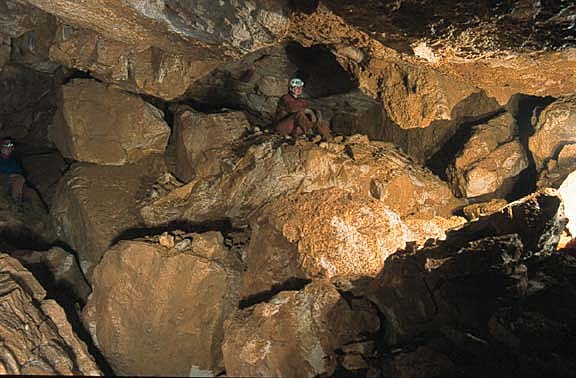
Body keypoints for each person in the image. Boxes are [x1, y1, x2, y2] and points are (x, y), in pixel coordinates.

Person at [0, 137, 25, 204]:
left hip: (13, 182)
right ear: (1, 148)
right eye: (6, 146)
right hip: (3, 180)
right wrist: (9, 174)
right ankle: (15, 203)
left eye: (10, 147)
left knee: (30, 191)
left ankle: (16, 202)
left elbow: (19, 172)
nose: (8, 149)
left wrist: (15, 175)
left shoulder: (13, 161)